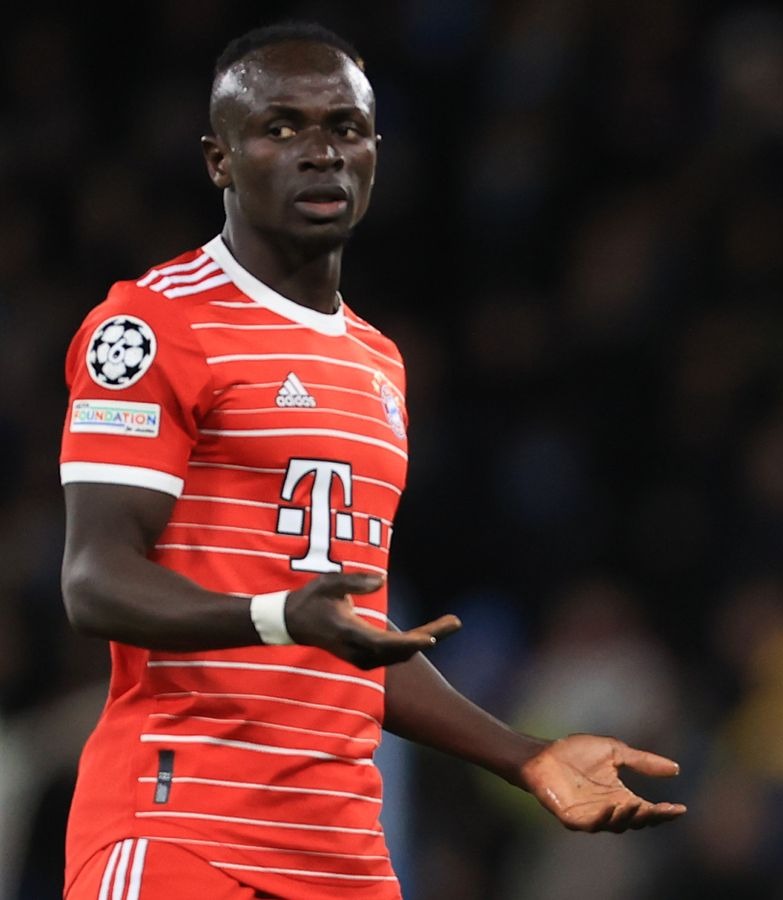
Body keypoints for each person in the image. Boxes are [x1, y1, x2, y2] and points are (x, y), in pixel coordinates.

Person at [58, 22, 684, 900]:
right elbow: (95, 579)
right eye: (281, 128)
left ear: (376, 152)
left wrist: (527, 756)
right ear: (219, 159)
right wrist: (278, 616)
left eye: (345, 128)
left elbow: (354, 632)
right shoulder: (151, 325)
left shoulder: (377, 363)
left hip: (342, 852)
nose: (321, 152)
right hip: (183, 831)